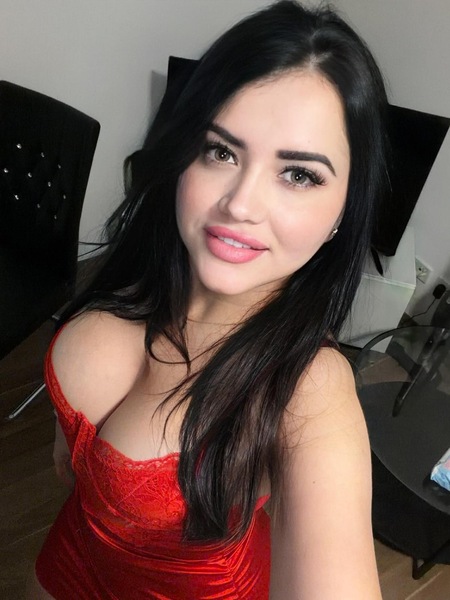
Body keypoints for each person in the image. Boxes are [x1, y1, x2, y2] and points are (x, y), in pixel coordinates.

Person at [28, 1, 389, 598]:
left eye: (299, 174)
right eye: (221, 151)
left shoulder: (311, 391)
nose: (240, 204)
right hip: (67, 559)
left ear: (343, 213)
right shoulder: (136, 278)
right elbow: (71, 470)